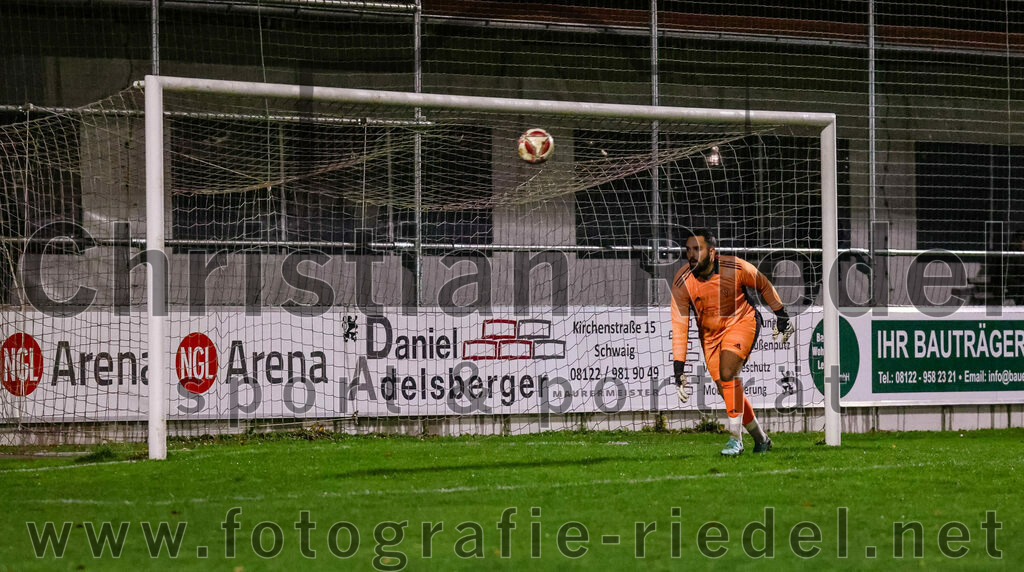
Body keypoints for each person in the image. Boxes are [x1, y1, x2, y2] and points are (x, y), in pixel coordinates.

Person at [670, 228, 794, 456]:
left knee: (728, 372)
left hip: (742, 321)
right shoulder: (682, 280)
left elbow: (763, 283)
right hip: (710, 336)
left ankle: (735, 439)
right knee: (726, 389)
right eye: (688, 250)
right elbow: (680, 325)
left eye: (697, 249)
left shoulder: (734, 266)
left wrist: (781, 315)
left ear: (712, 252)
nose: (691, 255)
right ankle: (762, 439)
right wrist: (679, 368)